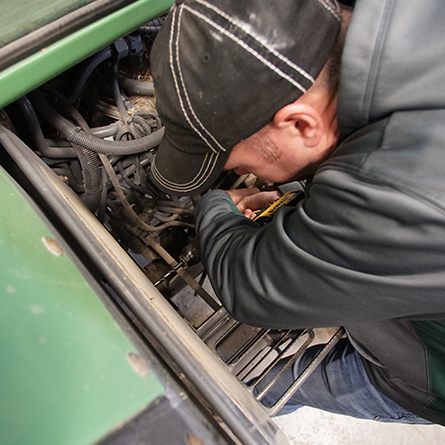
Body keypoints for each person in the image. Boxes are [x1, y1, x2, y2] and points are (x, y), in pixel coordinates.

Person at [149, 0, 445, 426]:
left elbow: (251, 287)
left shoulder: (401, 189)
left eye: (235, 162)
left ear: (302, 125)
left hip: (428, 372)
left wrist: (215, 206)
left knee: (263, 385)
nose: (235, 172)